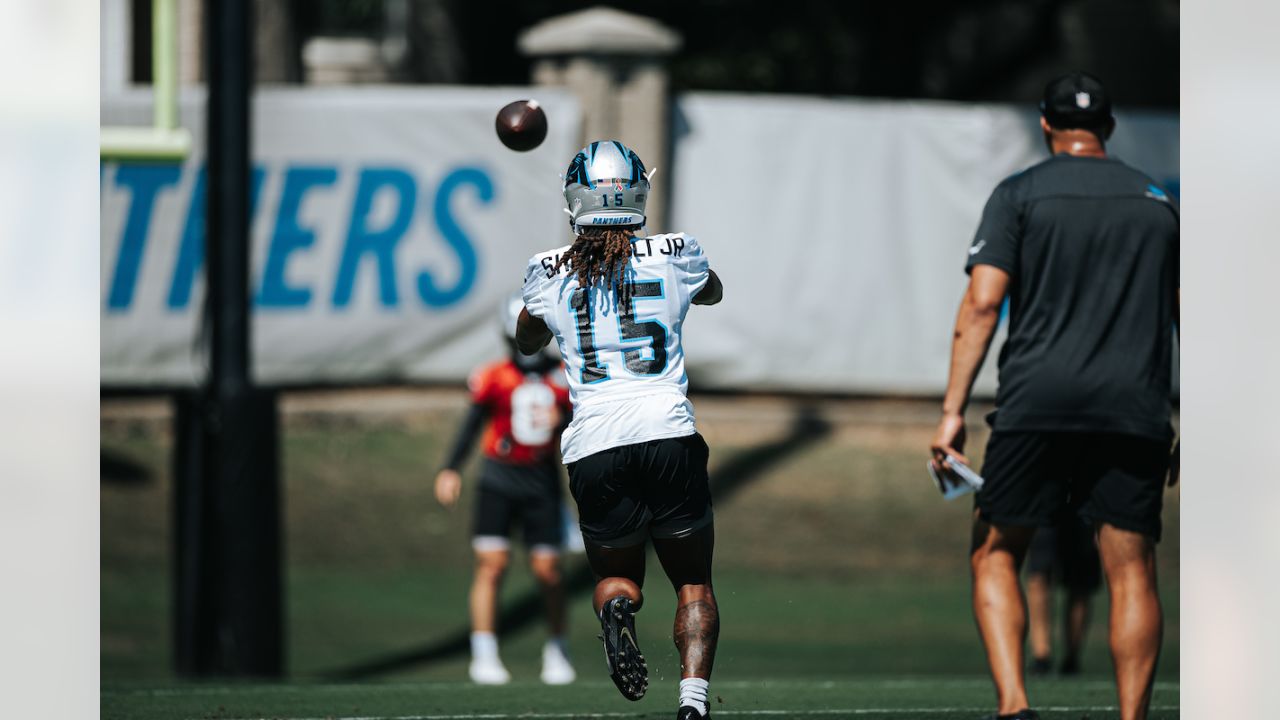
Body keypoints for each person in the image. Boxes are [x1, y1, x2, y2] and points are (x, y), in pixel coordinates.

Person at [929, 72, 1178, 720]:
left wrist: (953, 411)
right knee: (1131, 569)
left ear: (1045, 125)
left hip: (1036, 404)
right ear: (1110, 129)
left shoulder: (1018, 195)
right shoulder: (1157, 201)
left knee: (995, 550)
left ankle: (1015, 705)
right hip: (1134, 408)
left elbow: (983, 304)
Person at [516, 140, 724, 720]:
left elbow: (527, 337)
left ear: (574, 198)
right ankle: (694, 703)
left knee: (617, 578)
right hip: (667, 427)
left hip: (595, 442)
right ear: (638, 191)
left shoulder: (545, 268)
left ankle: (617, 611)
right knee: (693, 584)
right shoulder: (677, 251)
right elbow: (712, 289)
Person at [433, 294, 576, 686]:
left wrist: (562, 416)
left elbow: (583, 419)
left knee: (548, 571)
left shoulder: (564, 375)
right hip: (498, 478)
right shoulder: (494, 375)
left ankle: (557, 647)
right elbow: (473, 421)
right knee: (491, 565)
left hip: (541, 479)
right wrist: (451, 468)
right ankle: (484, 651)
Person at [1024, 515, 1101, 676]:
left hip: (1084, 505)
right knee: (1038, 572)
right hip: (1044, 499)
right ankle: (1041, 656)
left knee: (1081, 581)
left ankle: (1072, 657)